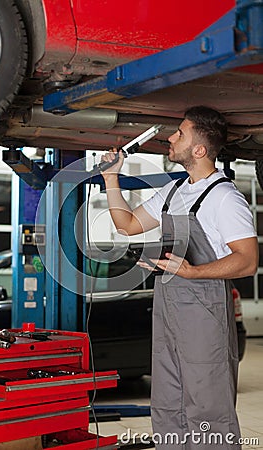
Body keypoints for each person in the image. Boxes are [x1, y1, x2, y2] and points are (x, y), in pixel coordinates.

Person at [100, 106, 258, 449]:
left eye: (180, 133)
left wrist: (192, 271)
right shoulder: (173, 193)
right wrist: (111, 179)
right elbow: (127, 225)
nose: (171, 138)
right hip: (169, 312)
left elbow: (247, 261)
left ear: (199, 149)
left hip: (204, 315)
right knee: (169, 403)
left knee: (208, 407)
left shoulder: (225, 198)